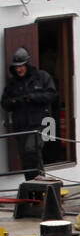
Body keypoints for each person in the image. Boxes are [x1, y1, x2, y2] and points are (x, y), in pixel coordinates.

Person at [1, 48, 56, 180]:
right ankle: (33, 187)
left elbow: (51, 95)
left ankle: (40, 180)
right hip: (21, 126)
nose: (18, 69)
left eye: (21, 66)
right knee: (25, 157)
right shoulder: (12, 84)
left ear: (27, 64)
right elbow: (5, 103)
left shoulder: (42, 77)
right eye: (16, 67)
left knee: (32, 149)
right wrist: (14, 102)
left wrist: (31, 97)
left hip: (42, 123)